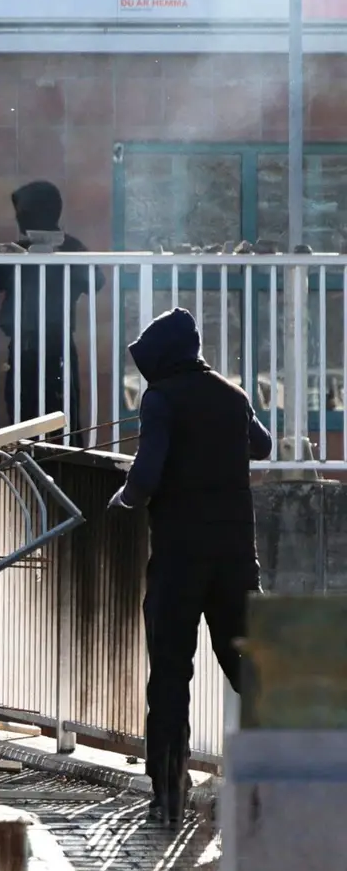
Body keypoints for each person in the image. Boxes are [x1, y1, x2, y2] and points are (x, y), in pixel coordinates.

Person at [111, 307, 270, 828]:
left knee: (171, 674)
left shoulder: (161, 399)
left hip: (179, 560)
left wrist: (124, 499)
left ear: (161, 358)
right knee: (250, 670)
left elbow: (146, 475)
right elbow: (263, 445)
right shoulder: (232, 395)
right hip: (235, 560)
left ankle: (169, 797)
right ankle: (274, 783)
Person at [0, 181, 101, 427]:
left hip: (56, 348)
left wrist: (62, 256)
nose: (20, 219)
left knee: (62, 422)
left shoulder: (69, 249)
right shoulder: (20, 252)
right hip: (25, 348)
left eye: (23, 213)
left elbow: (96, 282)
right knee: (24, 421)